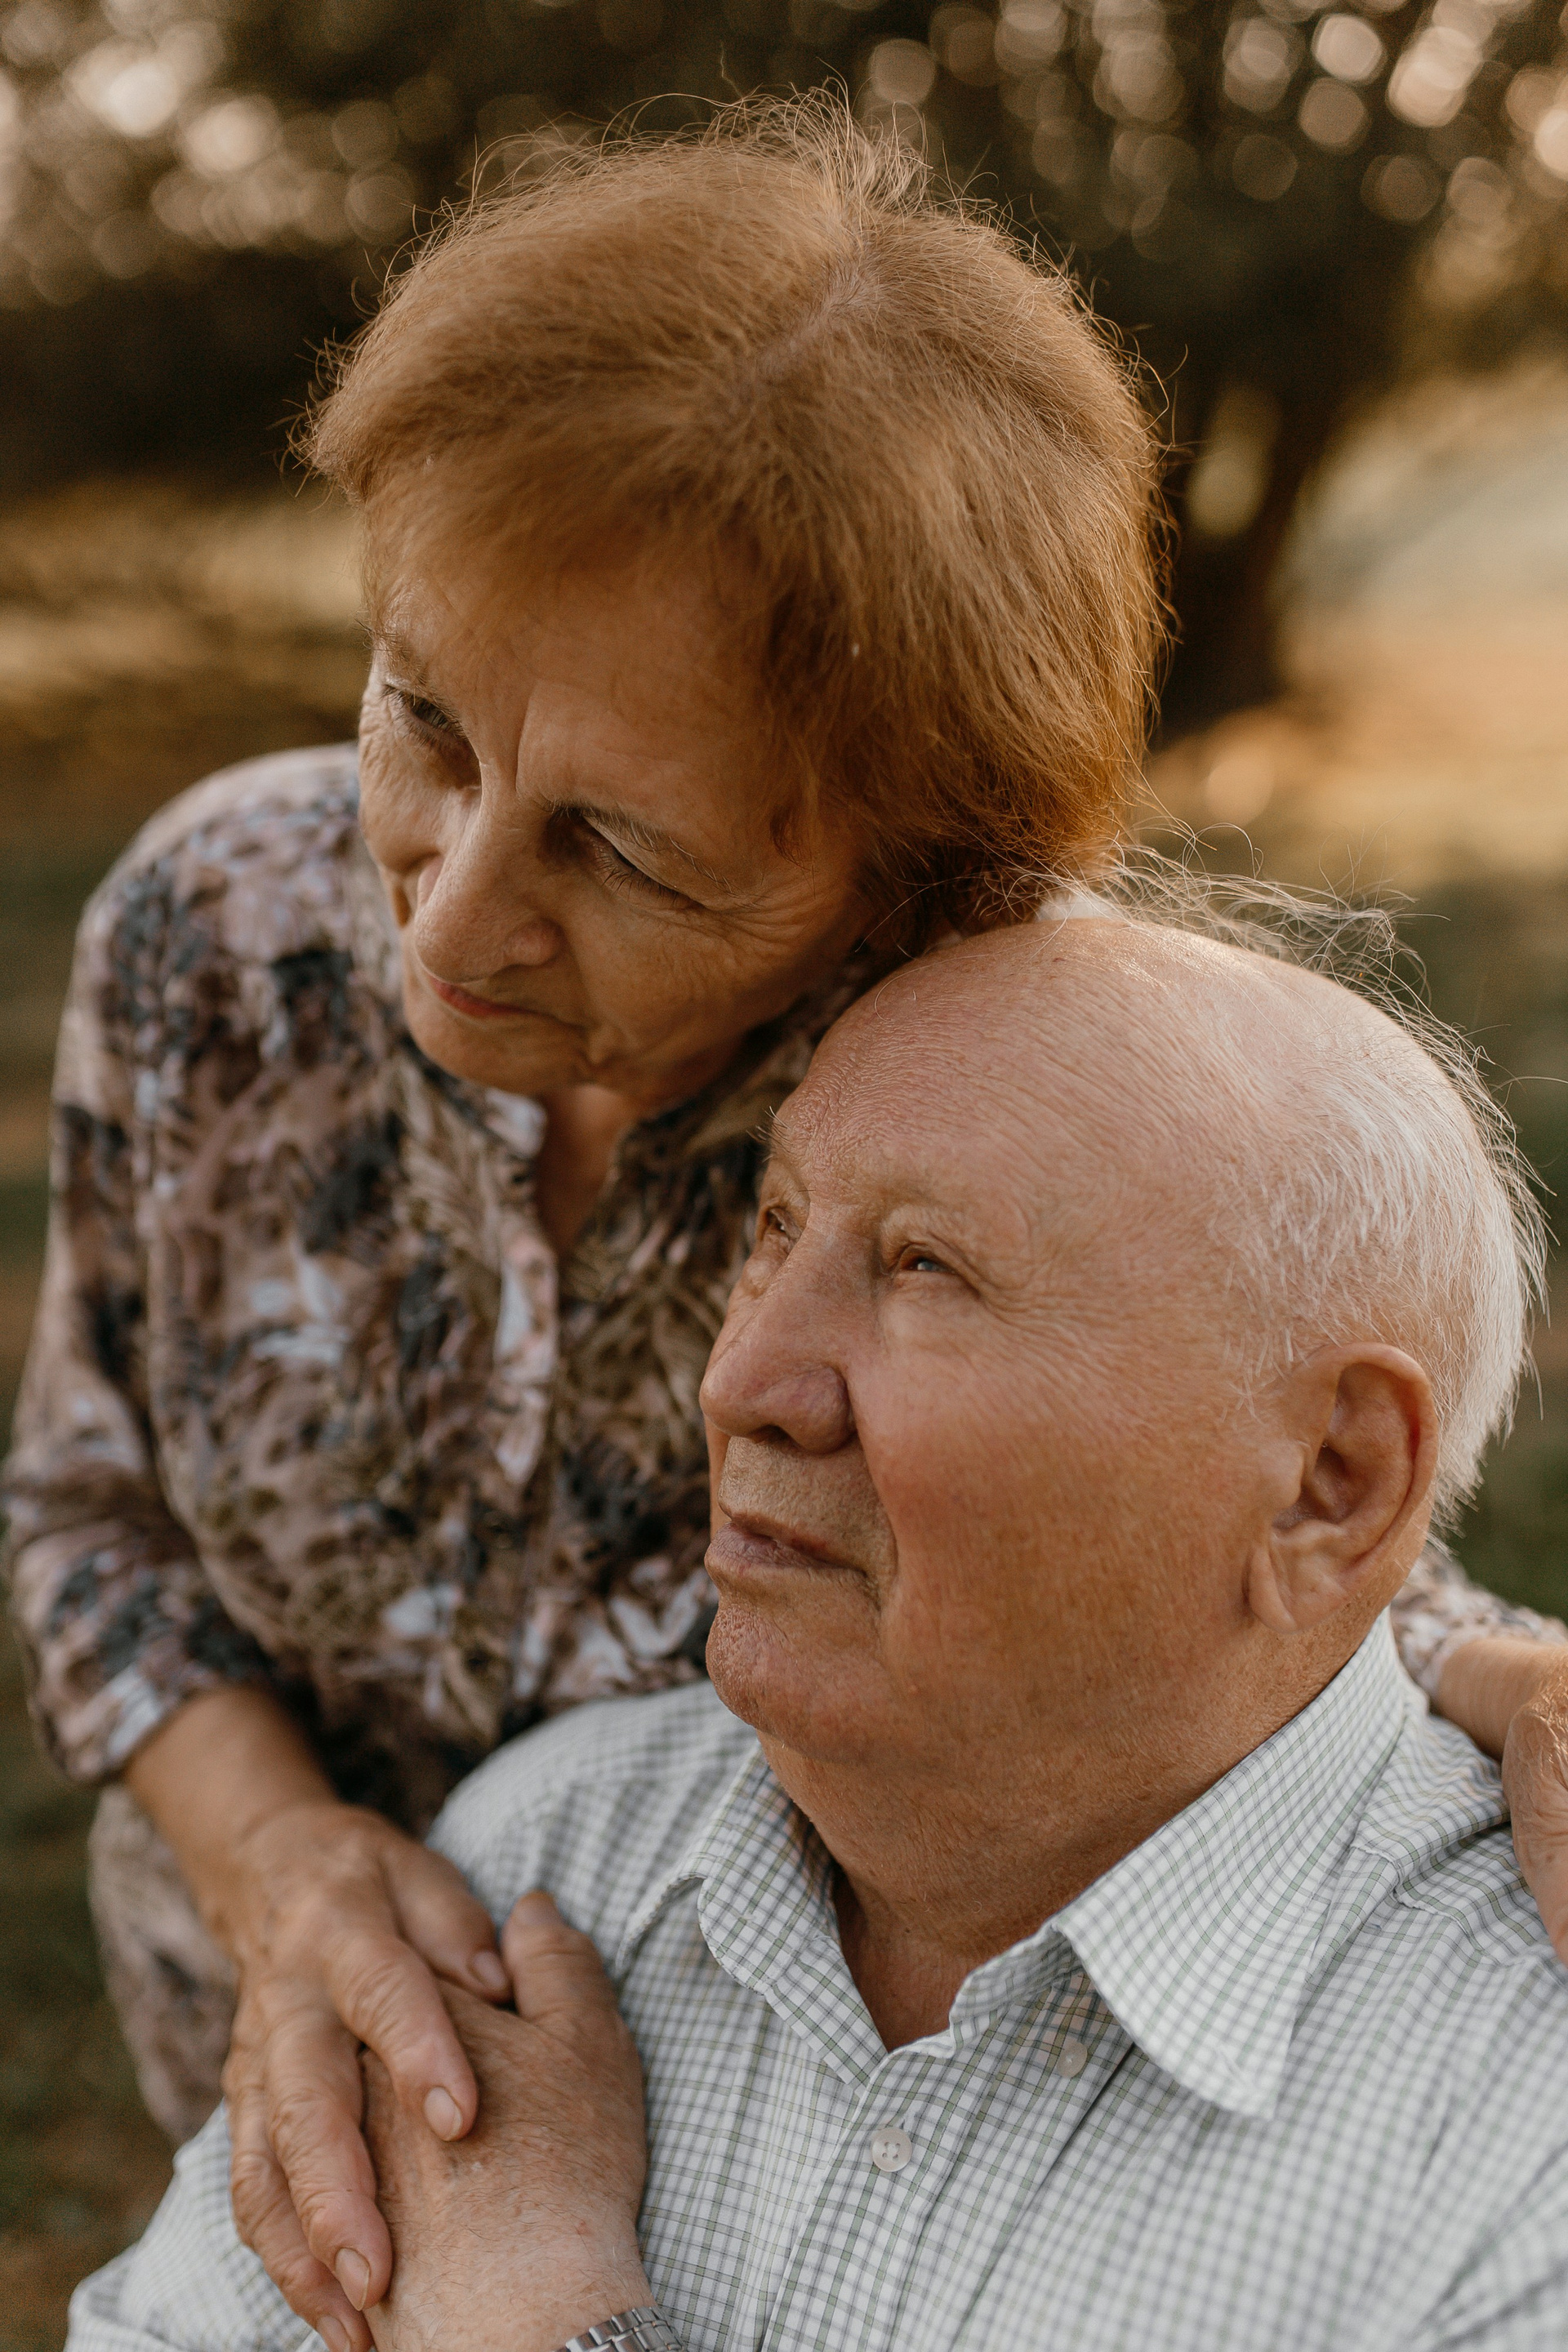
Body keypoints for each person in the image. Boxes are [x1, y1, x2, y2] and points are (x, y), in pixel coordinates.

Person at [7, 95, 1568, 2352]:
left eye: (620, 851)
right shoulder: (216, 921)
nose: (449, 915)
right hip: (281, 2063)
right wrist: (284, 1877)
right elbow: (90, 1507)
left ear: (905, 869)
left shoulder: (958, 1076)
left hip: (742, 2119)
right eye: (423, 724)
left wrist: (1493, 1668)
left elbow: (1193, 1506)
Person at [68, 914, 1568, 2352]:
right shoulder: (541, 1863)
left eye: (926, 1267)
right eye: (773, 1227)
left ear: (1331, 1480)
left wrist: (551, 2330)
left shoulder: (1522, 2133)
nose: (740, 1381)